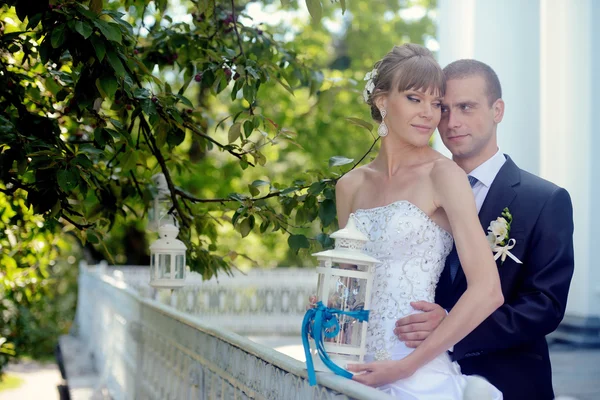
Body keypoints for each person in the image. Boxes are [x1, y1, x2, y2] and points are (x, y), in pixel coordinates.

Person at [393, 59, 575, 400]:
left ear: (497, 110)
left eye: (466, 107)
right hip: (415, 377)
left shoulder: (545, 200)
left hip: (507, 379)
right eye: (443, 109)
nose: (453, 122)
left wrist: (450, 326)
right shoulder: (413, 193)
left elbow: (544, 305)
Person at [334, 44, 504, 399]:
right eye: (414, 98)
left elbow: (488, 291)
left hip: (415, 370)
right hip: (350, 367)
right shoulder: (349, 186)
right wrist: (327, 303)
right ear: (382, 101)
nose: (429, 114)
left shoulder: (443, 175)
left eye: (436, 104)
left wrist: (403, 368)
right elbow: (349, 289)